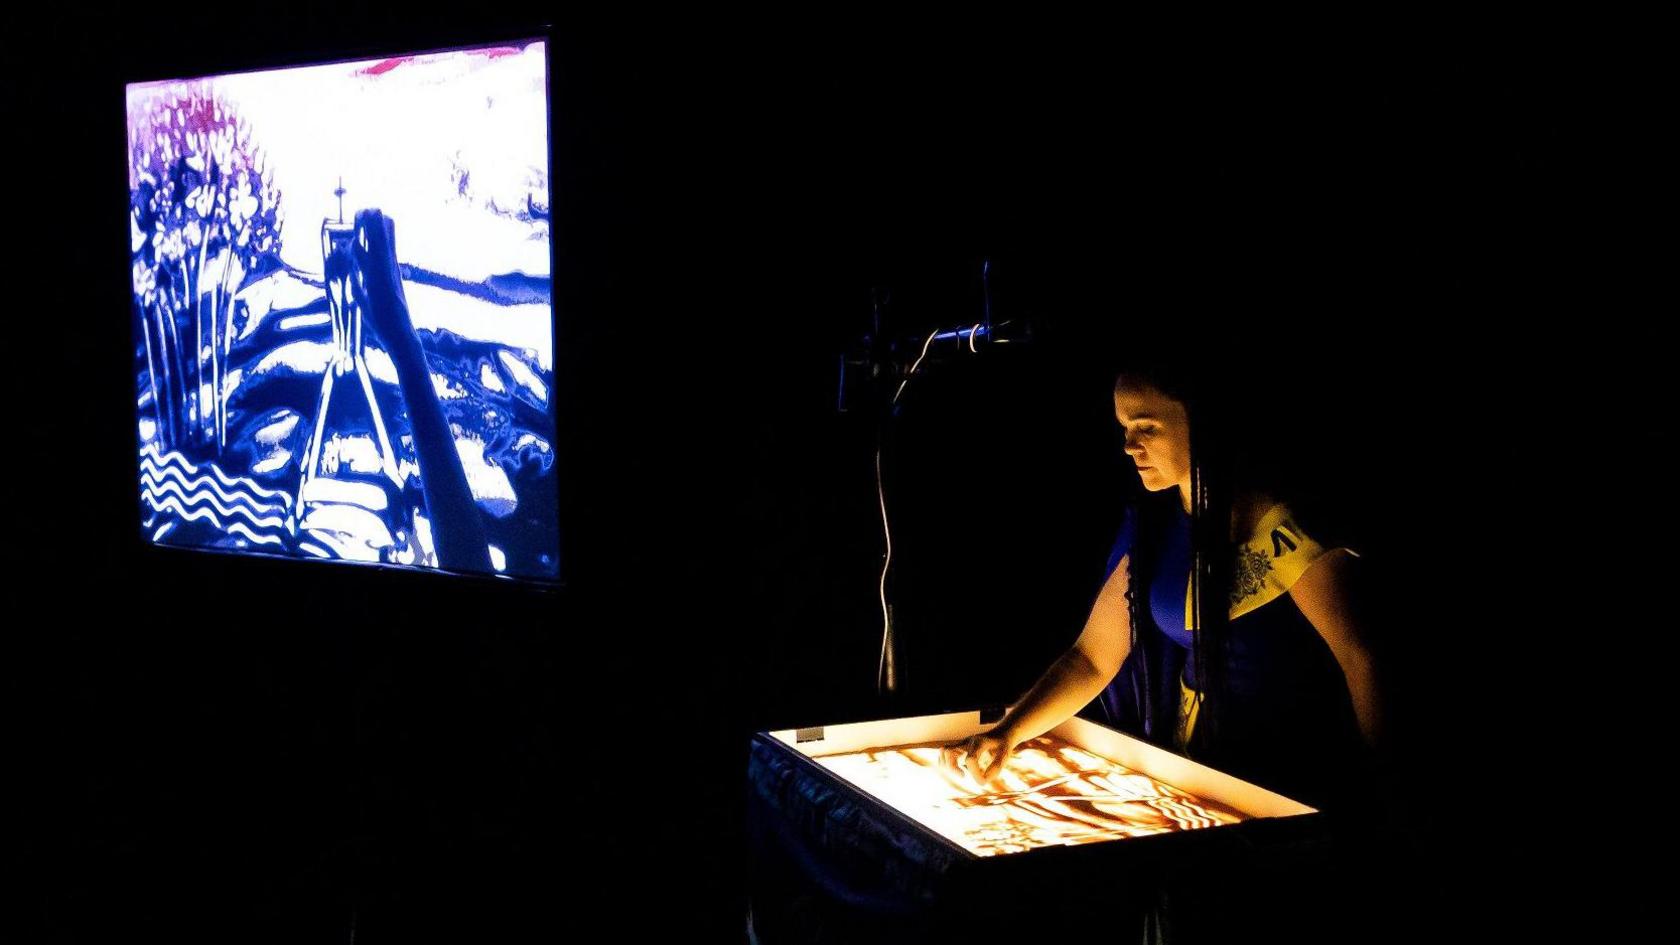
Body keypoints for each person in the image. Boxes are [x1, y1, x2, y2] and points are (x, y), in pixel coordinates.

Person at [942, 356, 1384, 813]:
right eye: (1124, 429)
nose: (1130, 447)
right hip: (1199, 778)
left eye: (1147, 428)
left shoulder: (1289, 530)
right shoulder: (1153, 526)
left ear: (1206, 421)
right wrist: (1008, 732)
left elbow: (1366, 662)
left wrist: (1385, 797)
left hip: (1289, 789)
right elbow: (1093, 657)